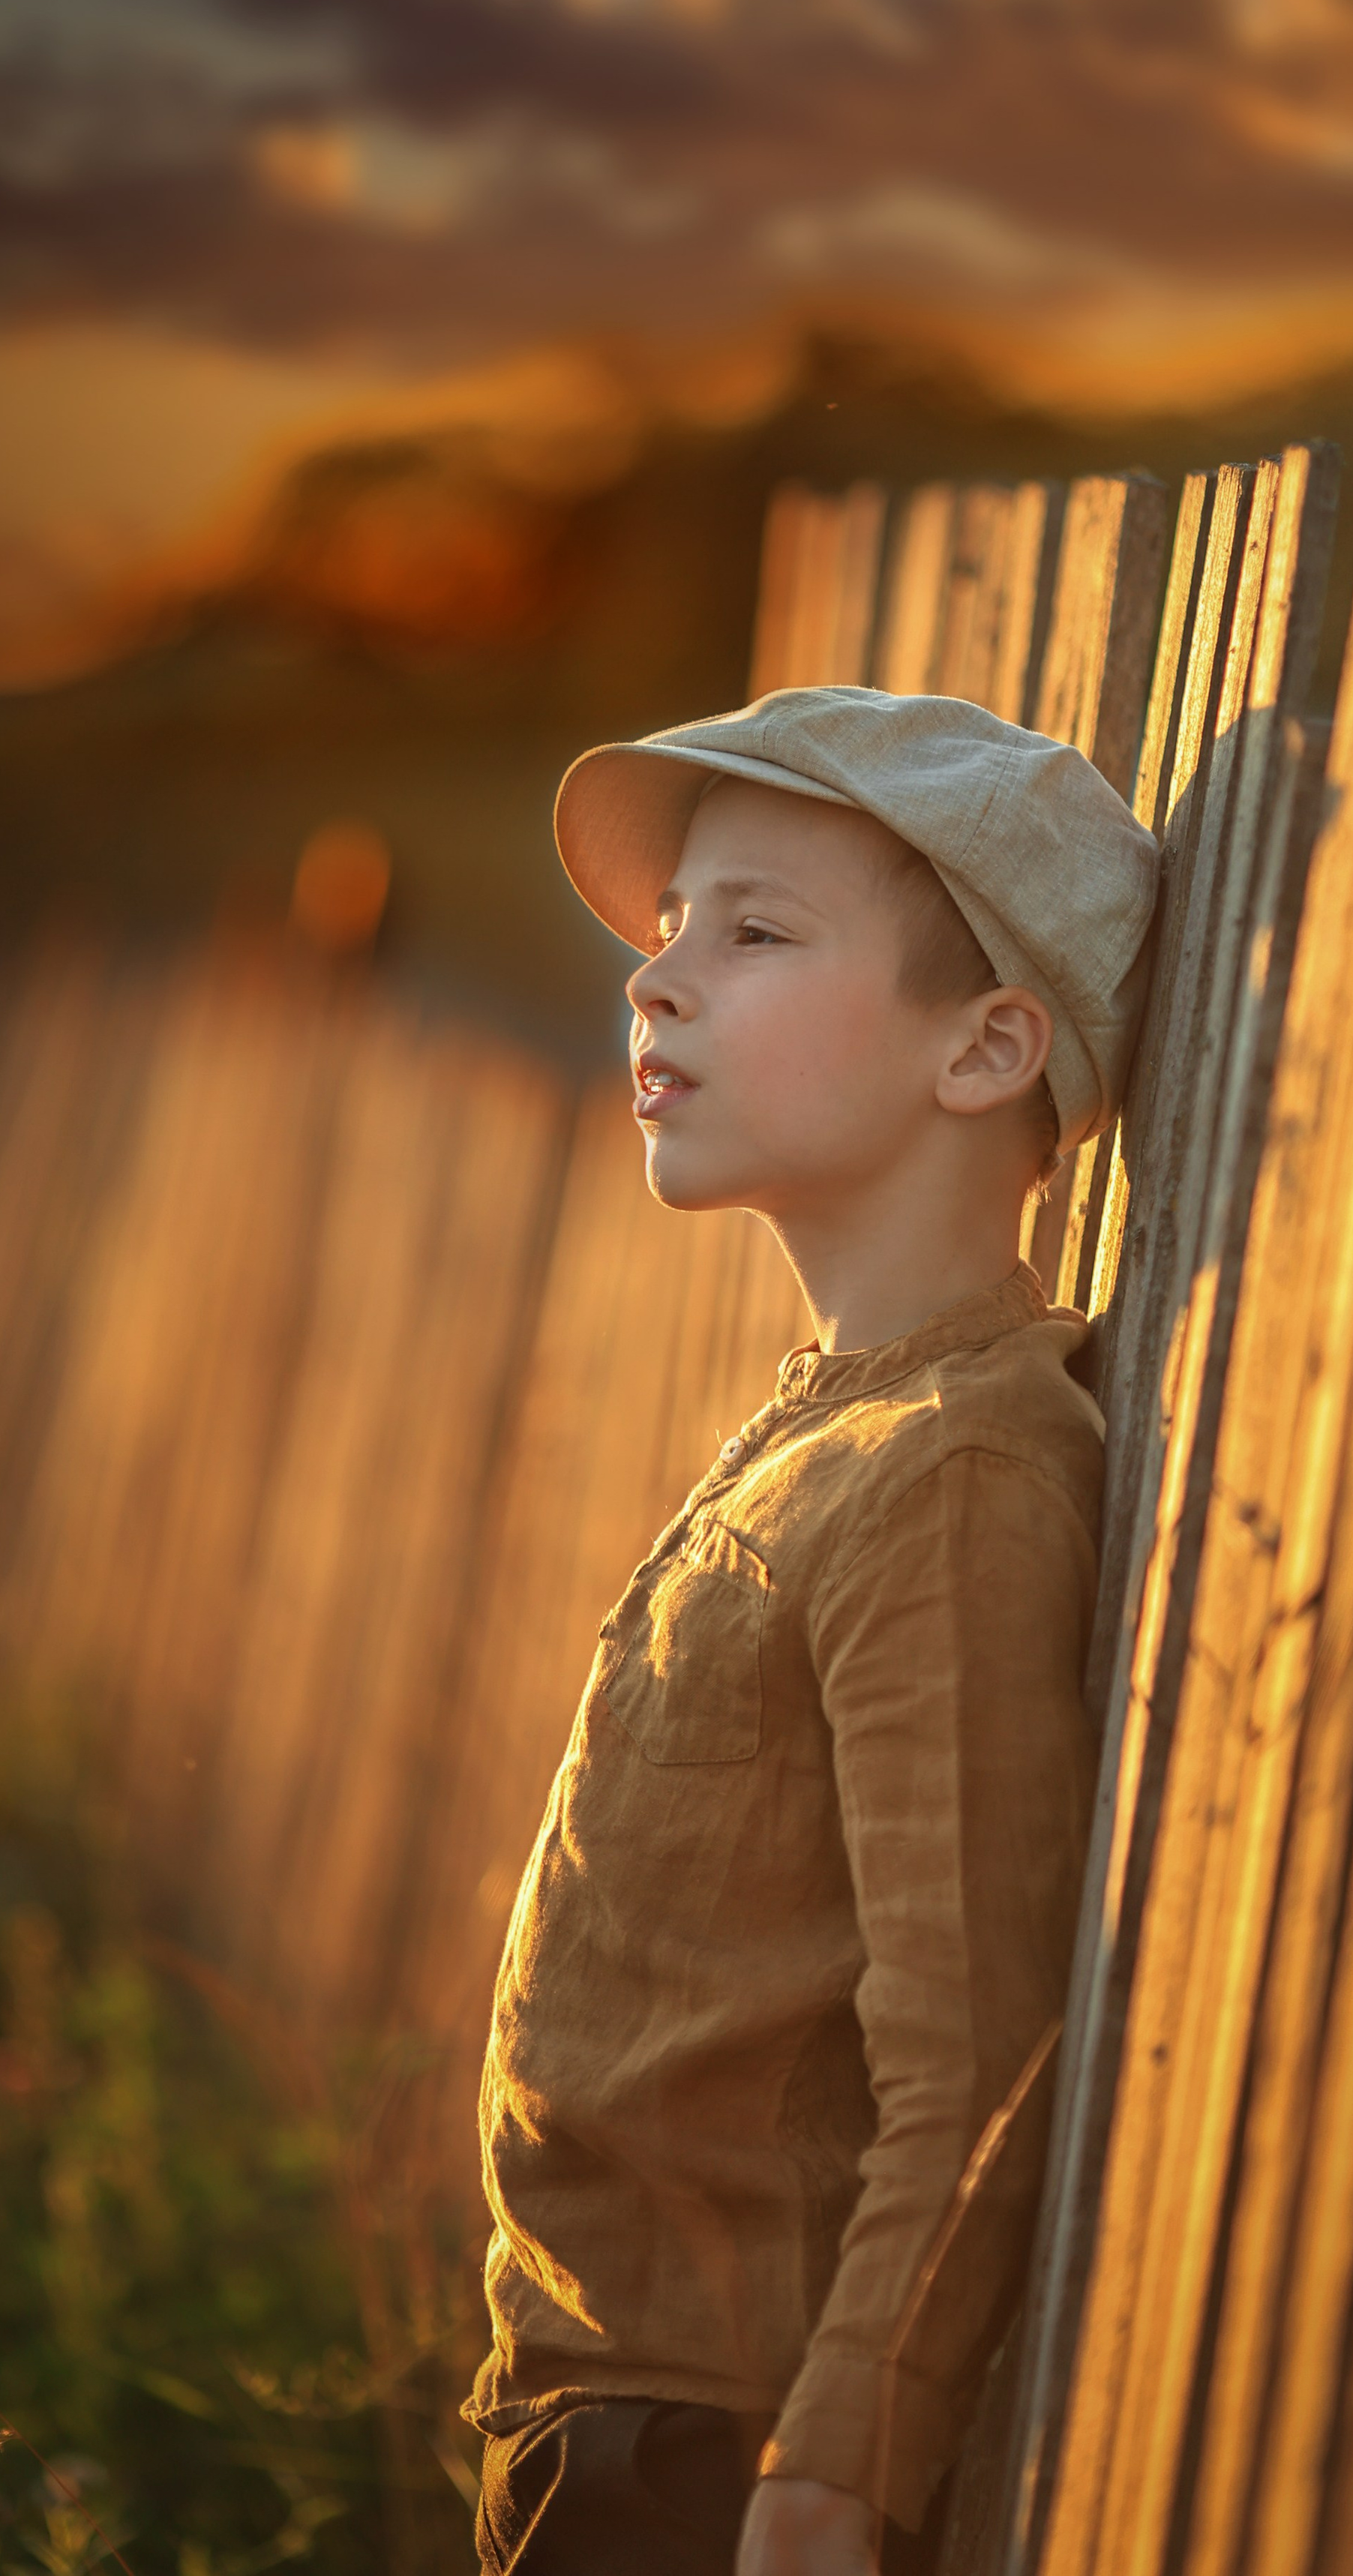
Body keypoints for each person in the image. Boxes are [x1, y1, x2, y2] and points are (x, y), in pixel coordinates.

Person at [464, 685, 1160, 2575]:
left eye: (752, 933)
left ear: (987, 1046)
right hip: (604, 2422)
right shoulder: (839, 1423)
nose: (657, 982)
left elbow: (976, 2039)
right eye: (670, 927)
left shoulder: (956, 1470)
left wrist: (835, 2461)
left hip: (721, 2464)